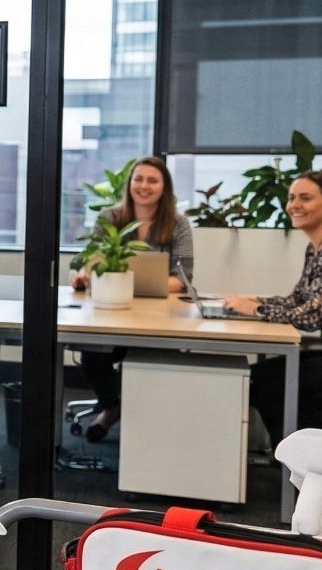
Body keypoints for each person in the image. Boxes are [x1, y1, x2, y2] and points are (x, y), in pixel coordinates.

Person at [69, 156, 194, 442]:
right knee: (92, 357)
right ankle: (112, 407)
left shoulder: (178, 224)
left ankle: (143, 427)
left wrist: (123, 281)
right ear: (129, 184)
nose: (144, 186)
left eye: (152, 180)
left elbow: (183, 278)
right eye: (139, 179)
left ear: (164, 187)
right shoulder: (109, 218)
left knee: (153, 364)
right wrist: (85, 276)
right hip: (111, 312)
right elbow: (91, 261)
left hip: (159, 318)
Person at [224, 171, 322, 446]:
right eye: (291, 198)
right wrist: (256, 302)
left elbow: (312, 316)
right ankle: (294, 456)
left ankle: (299, 458)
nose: (294, 205)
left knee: (264, 381)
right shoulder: (314, 249)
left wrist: (257, 310)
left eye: (305, 198)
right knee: (261, 379)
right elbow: (297, 300)